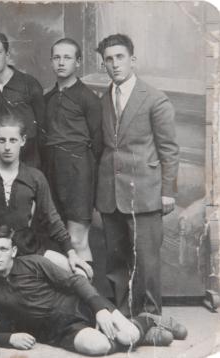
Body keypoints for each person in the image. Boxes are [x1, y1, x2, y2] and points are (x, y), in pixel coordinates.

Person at [0, 225, 186, 355]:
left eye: (3, 249)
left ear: (13, 251)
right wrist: (9, 339)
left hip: (84, 306)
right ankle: (141, 334)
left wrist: (99, 309)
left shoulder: (34, 263)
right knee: (99, 347)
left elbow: (76, 282)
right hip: (59, 331)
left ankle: (147, 320)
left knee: (128, 336)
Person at [95, 34, 179, 316]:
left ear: (133, 60)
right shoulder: (103, 98)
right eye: (109, 59)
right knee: (116, 260)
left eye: (120, 57)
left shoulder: (155, 98)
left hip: (145, 192)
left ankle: (151, 317)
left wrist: (168, 191)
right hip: (110, 193)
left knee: (146, 260)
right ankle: (124, 315)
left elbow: (169, 150)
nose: (114, 64)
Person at [0, 114, 92, 276]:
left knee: (80, 274)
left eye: (13, 140)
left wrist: (71, 253)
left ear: (23, 141)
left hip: (28, 250)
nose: (8, 147)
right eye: (2, 140)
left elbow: (52, 219)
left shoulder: (35, 177)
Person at [43, 38, 102, 265]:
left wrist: (83, 170)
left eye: (67, 57)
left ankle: (88, 300)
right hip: (52, 170)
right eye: (56, 57)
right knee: (59, 239)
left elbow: (98, 144)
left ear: (78, 62)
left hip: (79, 171)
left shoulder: (88, 98)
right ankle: (68, 299)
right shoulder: (47, 98)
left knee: (77, 240)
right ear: (51, 61)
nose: (61, 62)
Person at [0, 32, 45, 167]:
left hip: (31, 163)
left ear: (7, 55)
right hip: (0, 164)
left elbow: (44, 127)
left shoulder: (29, 84)